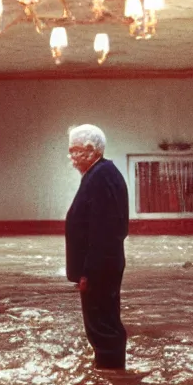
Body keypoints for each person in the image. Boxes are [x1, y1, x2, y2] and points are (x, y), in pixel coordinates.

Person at [64, 124, 130, 370]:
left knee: (102, 327)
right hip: (102, 266)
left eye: (74, 150)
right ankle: (111, 373)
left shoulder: (101, 176)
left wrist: (88, 272)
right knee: (103, 325)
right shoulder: (100, 174)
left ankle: (111, 382)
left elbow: (105, 232)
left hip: (99, 269)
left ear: (90, 150)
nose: (70, 157)